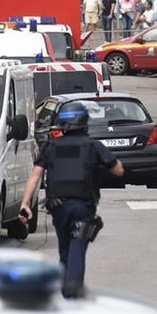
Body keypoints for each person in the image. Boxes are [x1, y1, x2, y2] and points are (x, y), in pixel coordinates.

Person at [19, 102, 124, 298]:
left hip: (58, 207)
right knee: (78, 244)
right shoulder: (93, 146)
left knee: (65, 248)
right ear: (85, 124)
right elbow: (118, 170)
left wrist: (26, 204)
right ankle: (73, 290)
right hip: (83, 206)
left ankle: (67, 288)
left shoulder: (51, 146)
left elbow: (35, 176)